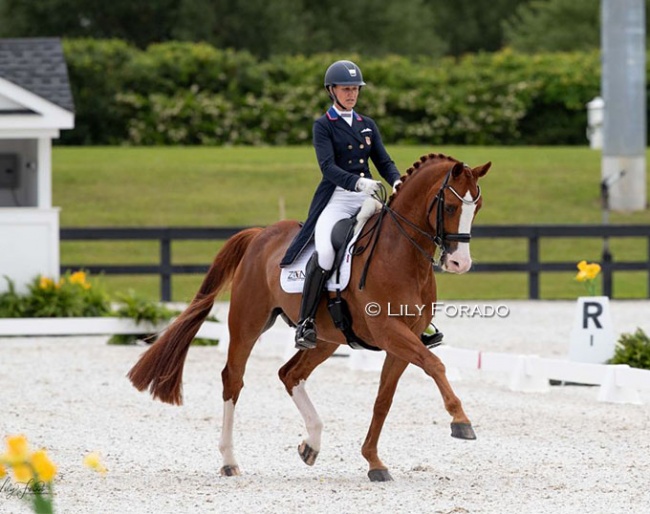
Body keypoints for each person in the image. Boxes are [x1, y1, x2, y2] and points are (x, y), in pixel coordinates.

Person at [280, 59, 441, 351]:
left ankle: (419, 318)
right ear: (332, 90)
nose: (351, 94)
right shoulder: (323, 126)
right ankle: (306, 322)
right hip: (338, 198)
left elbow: (383, 160)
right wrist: (356, 182)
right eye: (345, 89)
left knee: (398, 242)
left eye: (354, 89)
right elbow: (327, 167)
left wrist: (397, 182)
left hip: (369, 197)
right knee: (327, 252)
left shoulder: (367, 124)